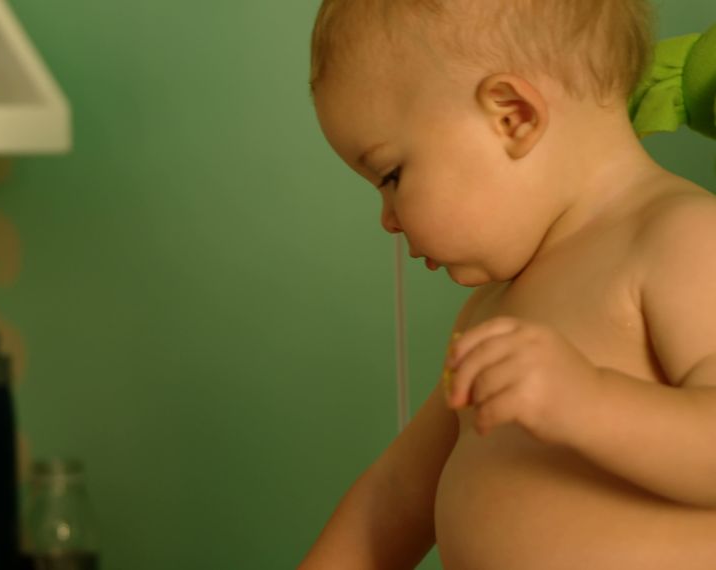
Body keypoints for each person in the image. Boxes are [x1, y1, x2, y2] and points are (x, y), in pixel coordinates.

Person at [302, 0, 716, 568]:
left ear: (512, 115)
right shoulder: (489, 311)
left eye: (392, 175)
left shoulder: (683, 237)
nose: (388, 218)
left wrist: (589, 399)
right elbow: (395, 496)